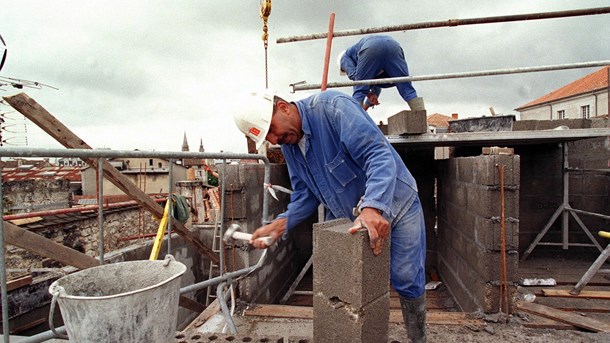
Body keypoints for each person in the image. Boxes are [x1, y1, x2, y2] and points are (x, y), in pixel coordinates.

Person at [233, 89, 427, 342]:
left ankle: (417, 337)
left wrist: (372, 207)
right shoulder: (291, 146)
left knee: (406, 277)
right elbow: (305, 193)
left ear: (283, 107)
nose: (274, 138)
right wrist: (282, 223)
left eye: (271, 129)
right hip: (351, 216)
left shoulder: (334, 108)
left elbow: (378, 156)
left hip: (397, 202)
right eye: (267, 137)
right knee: (346, 283)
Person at [338, 34, 425, 112]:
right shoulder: (357, 54)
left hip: (371, 47)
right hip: (393, 45)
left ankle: (355, 124)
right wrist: (367, 105)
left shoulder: (344, 58)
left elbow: (356, 77)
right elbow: (376, 85)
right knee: (405, 86)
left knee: (359, 90)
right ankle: (422, 122)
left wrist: (366, 91)